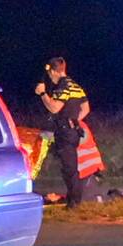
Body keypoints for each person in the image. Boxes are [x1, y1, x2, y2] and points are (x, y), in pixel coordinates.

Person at [36, 56, 90, 208]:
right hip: (72, 131)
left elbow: (54, 108)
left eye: (50, 75)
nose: (50, 78)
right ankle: (73, 199)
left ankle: (74, 203)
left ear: (54, 71)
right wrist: (74, 121)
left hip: (65, 132)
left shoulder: (62, 87)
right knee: (70, 166)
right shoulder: (75, 85)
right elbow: (86, 108)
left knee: (69, 169)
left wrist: (42, 93)